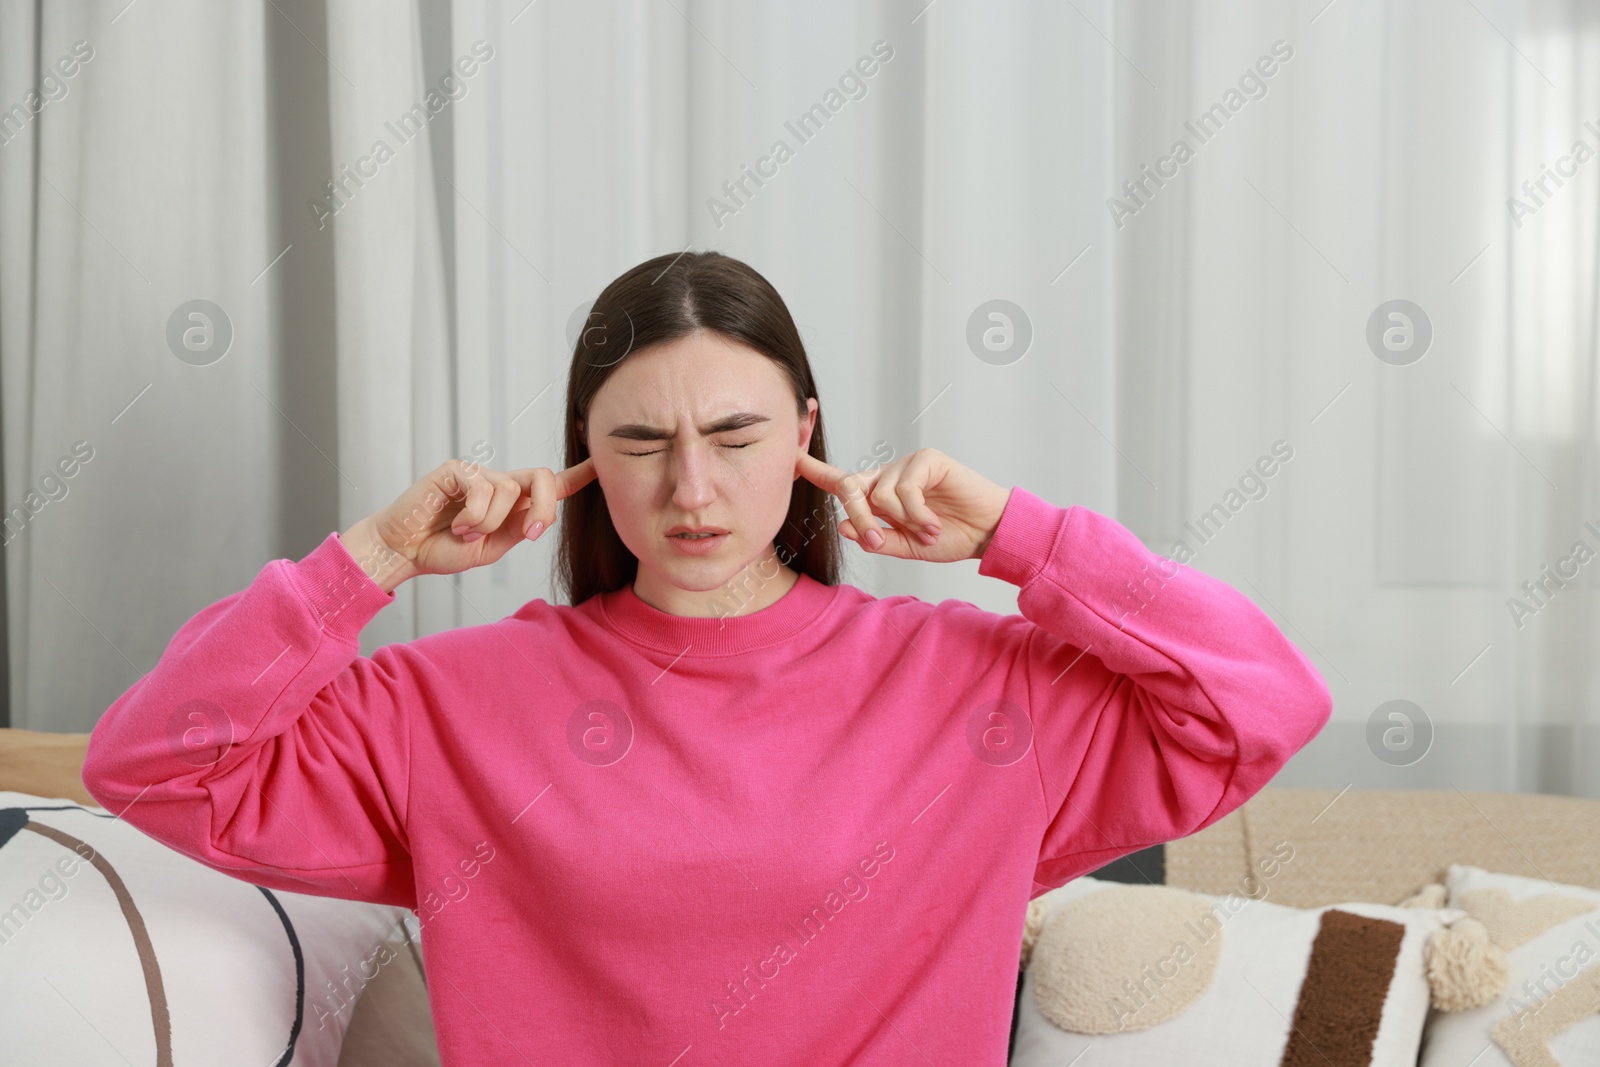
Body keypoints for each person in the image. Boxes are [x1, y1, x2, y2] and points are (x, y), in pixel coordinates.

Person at [82, 250, 1332, 1065]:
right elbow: (153, 764)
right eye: (640, 440)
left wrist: (1023, 532)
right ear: (583, 454)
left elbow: (1261, 700)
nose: (691, 486)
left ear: (805, 432)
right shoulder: (443, 703)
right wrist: (371, 557)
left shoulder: (975, 686)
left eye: (734, 433)